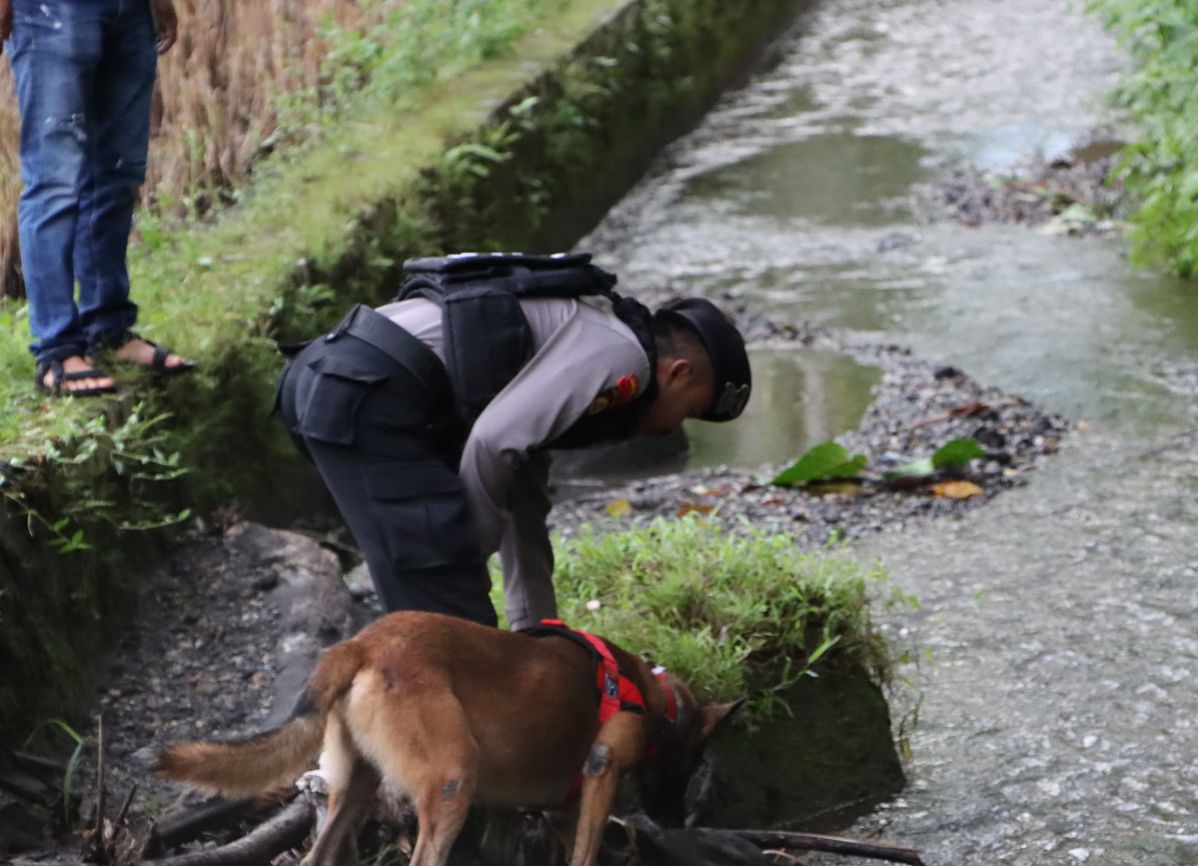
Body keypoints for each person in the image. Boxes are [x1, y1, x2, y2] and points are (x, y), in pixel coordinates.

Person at [275, 252, 752, 632]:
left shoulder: (585, 343)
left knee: (427, 618)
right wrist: (469, 564)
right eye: (688, 410)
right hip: (370, 392)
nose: (673, 429)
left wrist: (539, 630)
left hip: (331, 380)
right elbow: (491, 444)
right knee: (454, 627)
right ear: (678, 372)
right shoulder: (624, 358)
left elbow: (522, 494)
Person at [2, 0, 195, 397]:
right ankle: (57, 350)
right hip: (50, 12)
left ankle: (108, 328)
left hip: (130, 11)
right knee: (54, 183)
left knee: (116, 173)